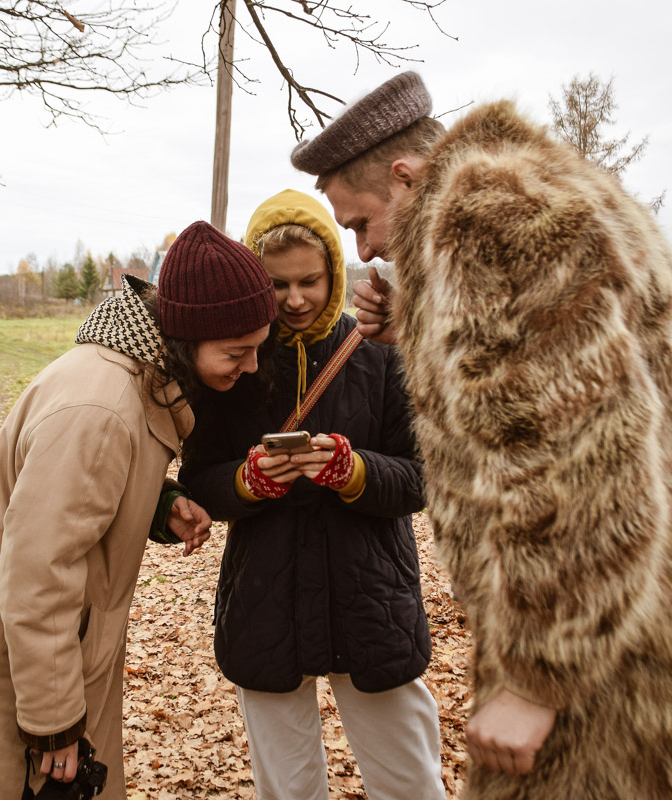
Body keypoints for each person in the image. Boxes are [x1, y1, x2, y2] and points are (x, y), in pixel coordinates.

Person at [290, 71, 672, 798]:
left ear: (406, 178)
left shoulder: (482, 218)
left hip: (622, 663)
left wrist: (538, 677)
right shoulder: (542, 189)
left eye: (361, 222)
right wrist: (425, 326)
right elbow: (560, 377)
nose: (366, 250)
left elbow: (582, 464)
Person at [0, 221, 278, 800]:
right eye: (237, 351)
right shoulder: (100, 406)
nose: (251, 366)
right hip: (13, 672)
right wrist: (53, 724)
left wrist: (162, 502)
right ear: (184, 335)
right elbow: (38, 571)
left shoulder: (133, 378)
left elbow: (83, 494)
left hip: (48, 657)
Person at [177, 189, 445, 800]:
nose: (295, 300)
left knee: (409, 782)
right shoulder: (235, 364)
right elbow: (200, 479)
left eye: (311, 281)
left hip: (371, 598)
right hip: (267, 596)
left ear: (334, 271)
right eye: (276, 285)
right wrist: (246, 483)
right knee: (288, 789)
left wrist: (354, 472)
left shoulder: (380, 355)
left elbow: (421, 475)